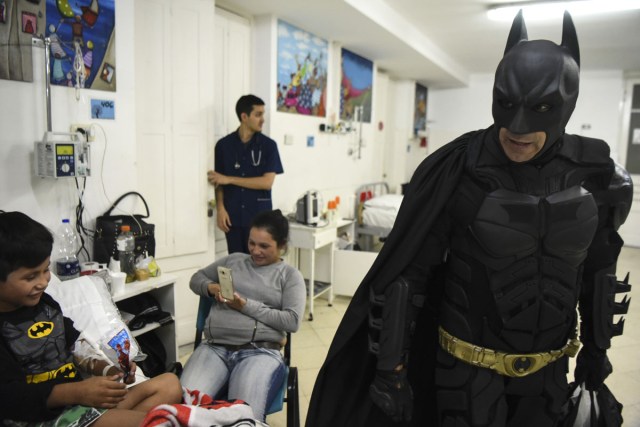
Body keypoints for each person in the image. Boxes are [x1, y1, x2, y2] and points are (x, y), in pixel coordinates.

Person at [306, 10, 633, 427]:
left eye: (540, 109)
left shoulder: (596, 174)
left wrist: (597, 348)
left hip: (550, 369)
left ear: (565, 106)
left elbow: (599, 269)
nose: (516, 128)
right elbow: (410, 275)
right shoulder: (460, 168)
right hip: (467, 371)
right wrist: (392, 370)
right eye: (506, 105)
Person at [0, 211, 184, 426]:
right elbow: (9, 397)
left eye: (45, 270)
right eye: (31, 277)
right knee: (160, 422)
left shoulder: (46, 305)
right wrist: (75, 392)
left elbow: (76, 346)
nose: (43, 282)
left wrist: (111, 372)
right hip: (42, 418)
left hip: (79, 406)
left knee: (169, 384)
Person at [180, 209, 305, 421]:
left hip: (260, 352)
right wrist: (211, 287)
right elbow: (196, 279)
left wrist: (244, 306)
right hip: (214, 347)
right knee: (186, 410)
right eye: (252, 243)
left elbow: (291, 321)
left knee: (242, 418)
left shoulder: (290, 276)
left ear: (282, 245)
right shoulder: (233, 261)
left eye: (264, 246)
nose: (255, 251)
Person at [208, 94, 284, 254]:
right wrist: (220, 208)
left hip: (259, 220)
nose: (262, 119)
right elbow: (218, 182)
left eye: (263, 114)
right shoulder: (223, 146)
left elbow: (266, 182)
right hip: (233, 218)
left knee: (259, 265)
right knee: (236, 264)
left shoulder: (269, 146)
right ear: (244, 116)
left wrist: (229, 179)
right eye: (258, 115)